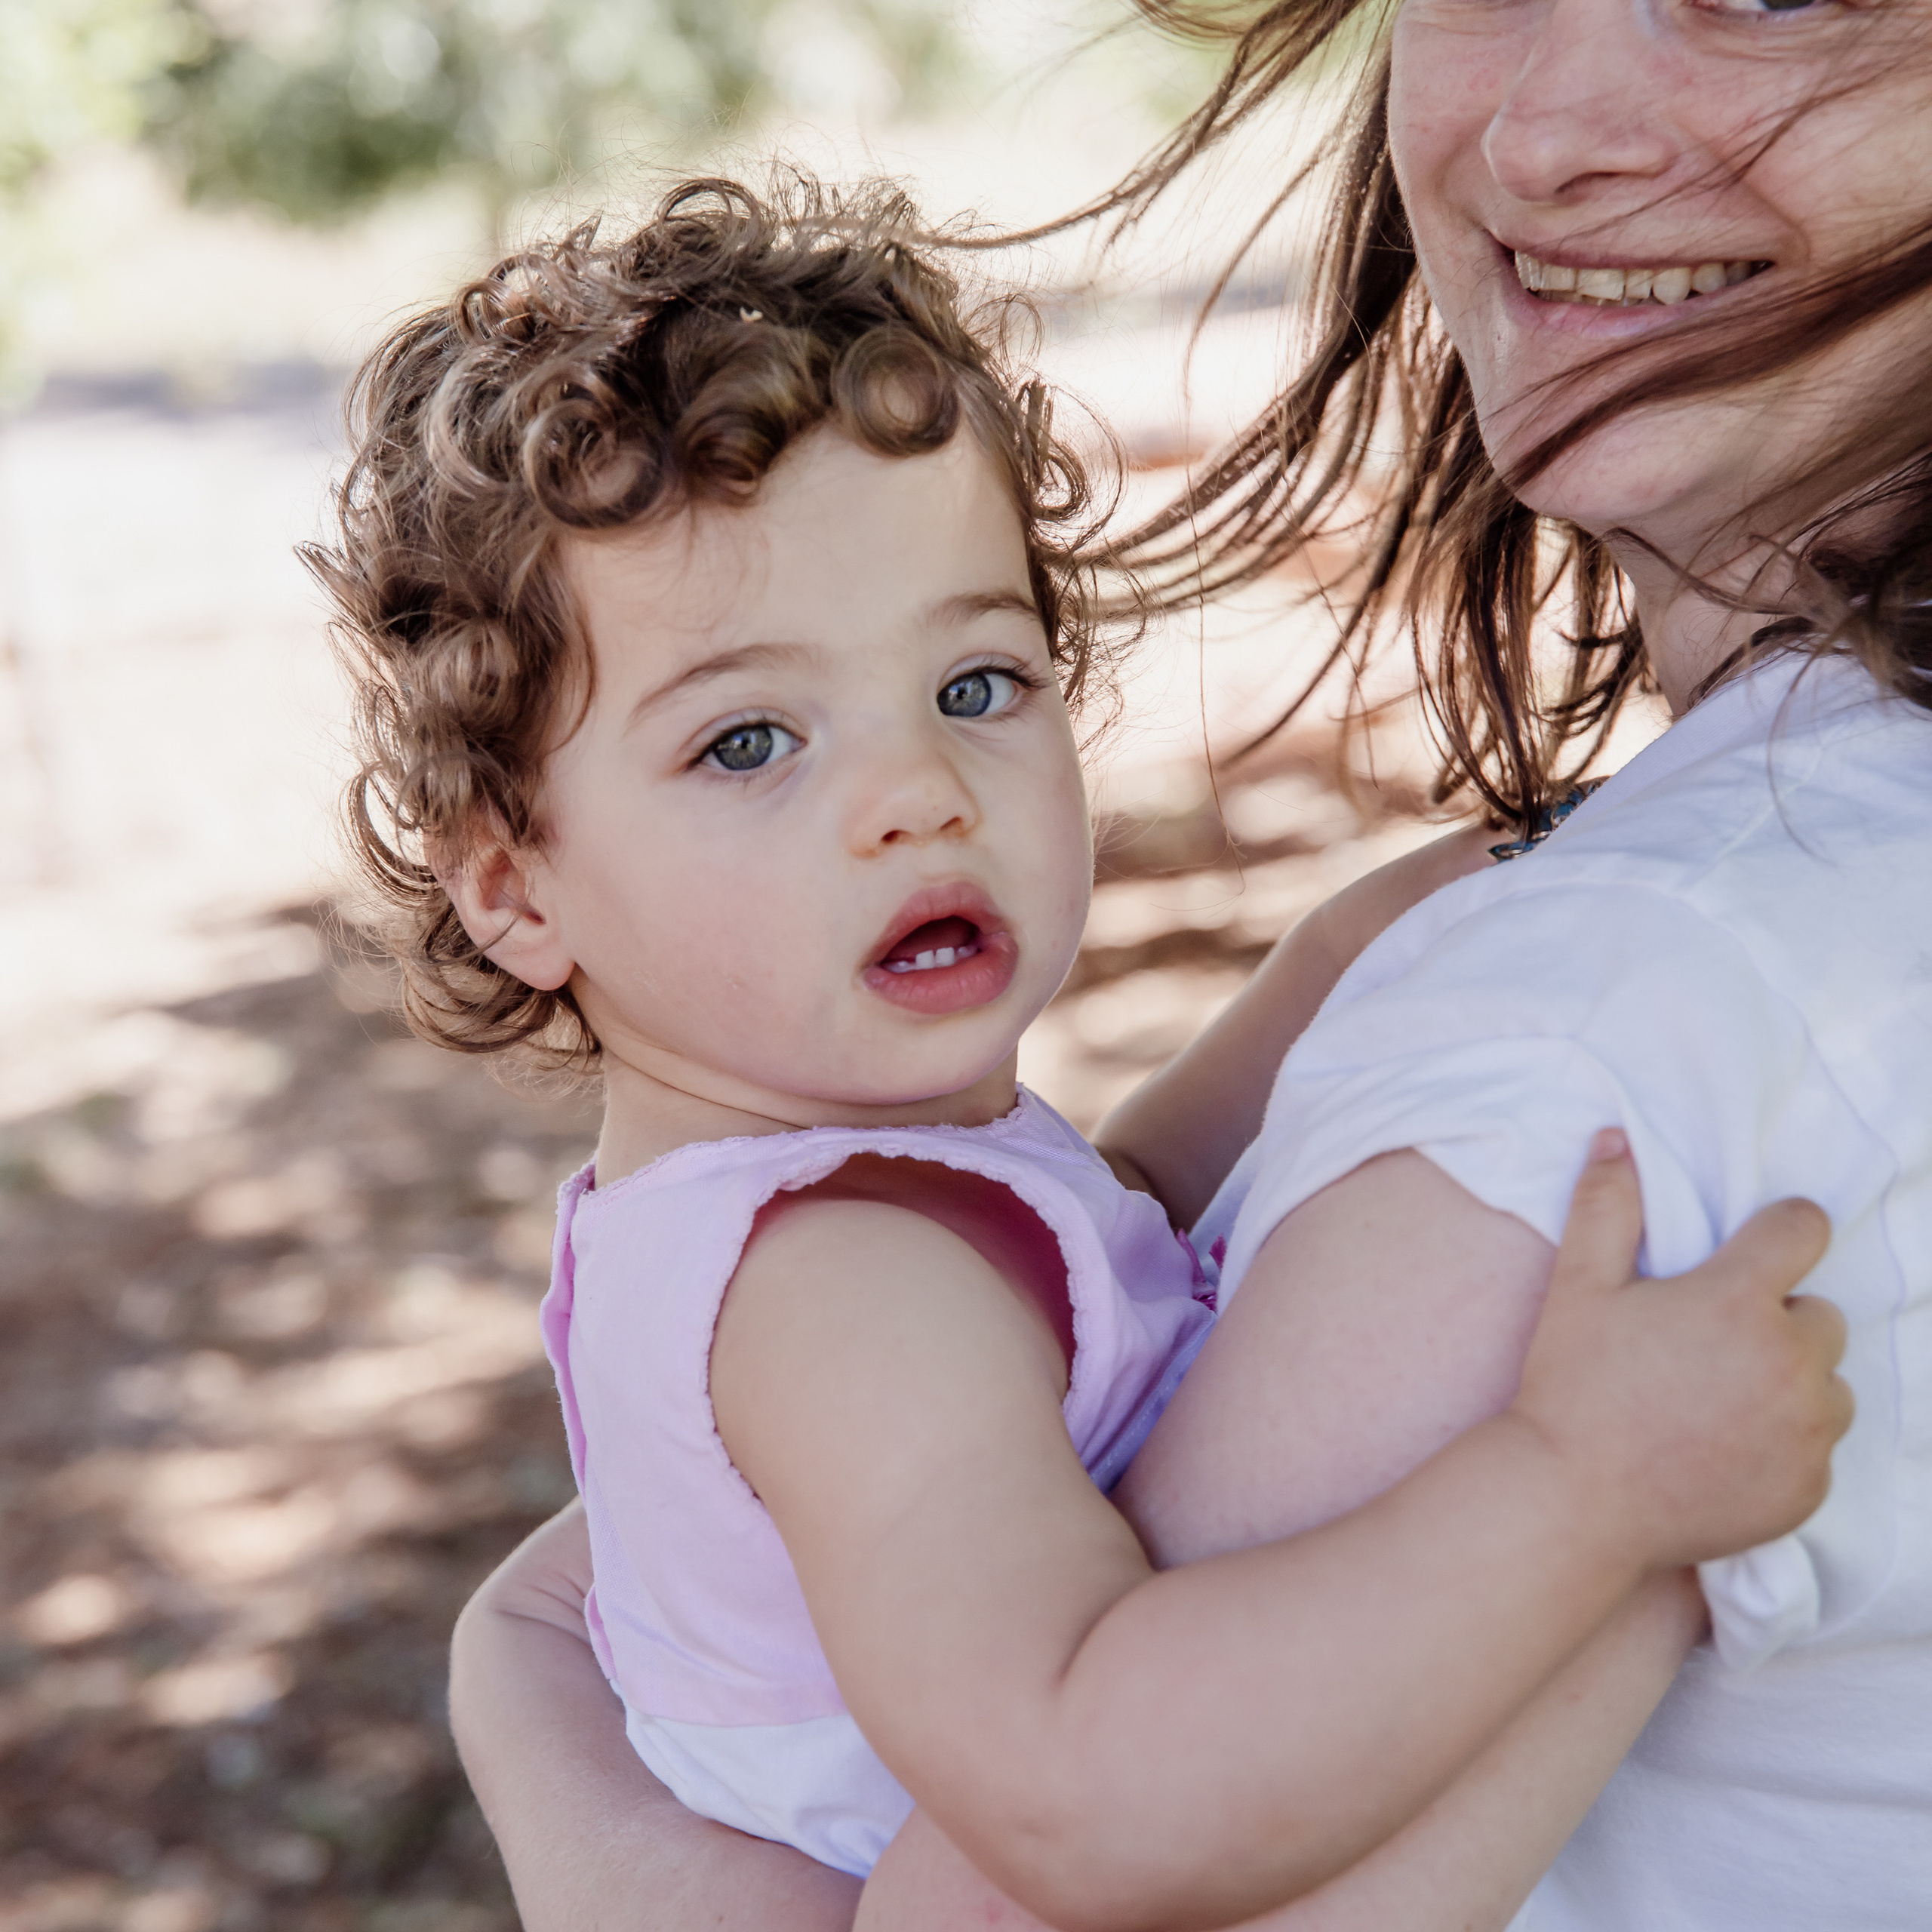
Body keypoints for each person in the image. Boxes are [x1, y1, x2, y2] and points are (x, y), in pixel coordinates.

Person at [312, 177, 1847, 1930]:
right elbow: (1086, 1780)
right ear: (514, 885)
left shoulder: (871, 1195)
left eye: (975, 683)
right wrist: (1586, 1491)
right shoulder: (843, 1291)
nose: (915, 795)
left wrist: (1476, 891)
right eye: (748, 740)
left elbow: (1142, 1179)